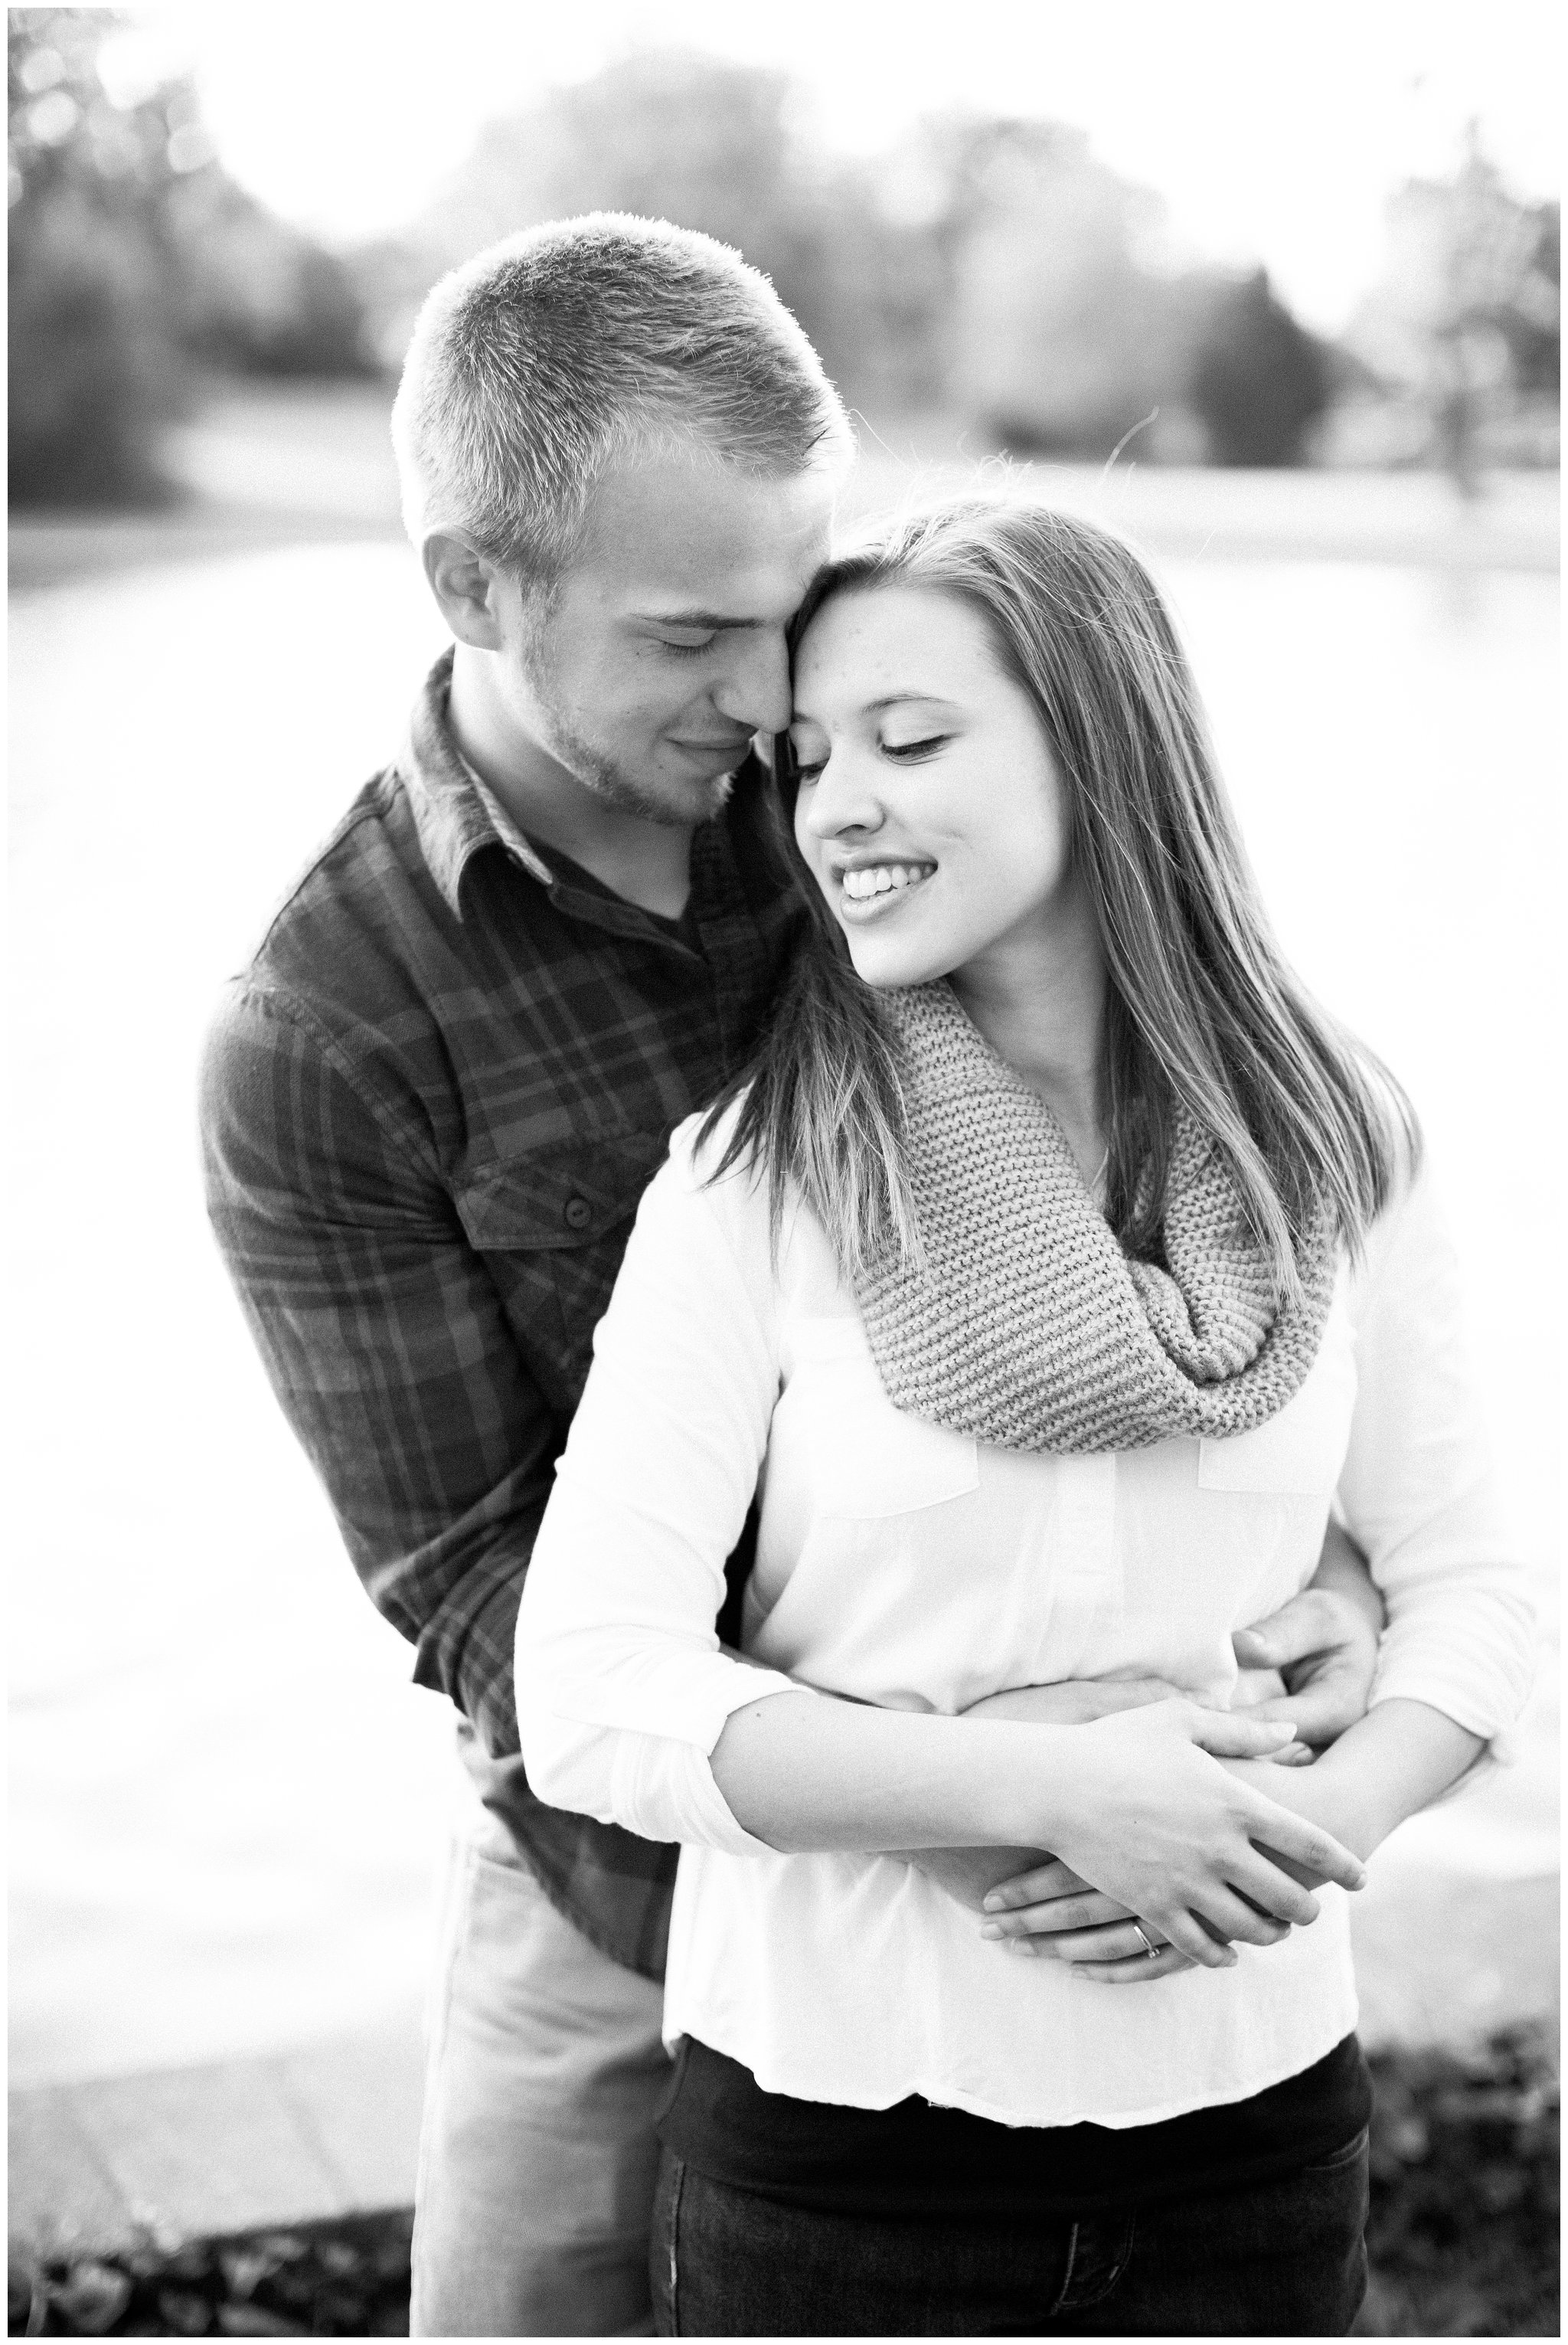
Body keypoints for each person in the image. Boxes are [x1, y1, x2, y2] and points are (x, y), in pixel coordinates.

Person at [201, 215, 1382, 2334]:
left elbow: (1202, 1147)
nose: (769, 708)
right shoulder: (325, 1030)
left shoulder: (885, 775)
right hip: (616, 1876)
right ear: (476, 584)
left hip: (1108, 1763)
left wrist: (1328, 1574)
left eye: (794, 613)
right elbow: (479, 1587)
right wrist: (958, 1787)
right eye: (688, 636)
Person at [514, 499, 1536, 2337]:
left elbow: (1483, 1594)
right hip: (844, 2161)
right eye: (805, 761)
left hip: (1254, 2143)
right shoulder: (757, 1179)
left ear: (1101, 740)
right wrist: (1044, 1789)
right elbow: (585, 1691)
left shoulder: (1337, 1147)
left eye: (910, 741)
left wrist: (1282, 1836)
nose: (834, 807)